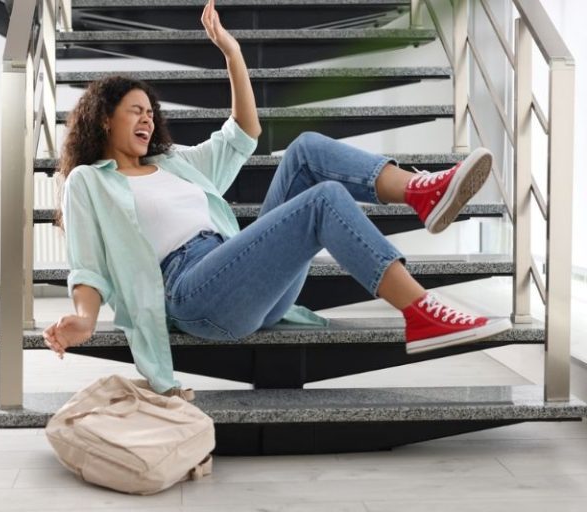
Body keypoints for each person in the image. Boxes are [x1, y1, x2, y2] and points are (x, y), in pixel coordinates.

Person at [42, 0, 512, 395]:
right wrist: (84, 318)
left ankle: (420, 192)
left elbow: (243, 132)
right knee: (324, 199)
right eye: (134, 112)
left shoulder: (174, 162)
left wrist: (233, 54)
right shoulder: (89, 182)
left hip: (240, 274)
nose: (147, 119)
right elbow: (88, 264)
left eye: (150, 111)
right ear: (104, 119)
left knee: (306, 149)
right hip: (193, 292)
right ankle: (421, 312)